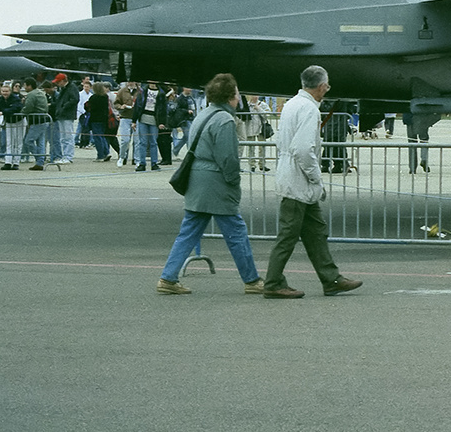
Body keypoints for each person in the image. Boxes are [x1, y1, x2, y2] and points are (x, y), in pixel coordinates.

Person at [155, 74, 264, 295]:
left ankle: (168, 277)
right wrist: (234, 182)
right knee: (236, 233)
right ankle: (251, 279)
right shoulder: (224, 120)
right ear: (231, 96)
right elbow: (228, 159)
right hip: (216, 182)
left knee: (189, 231)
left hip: (197, 179)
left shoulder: (203, 115)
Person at [262, 66, 361, 299]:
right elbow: (304, 150)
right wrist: (317, 178)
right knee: (288, 234)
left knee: (316, 232)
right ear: (321, 86)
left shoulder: (291, 104)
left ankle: (331, 279)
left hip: (292, 176)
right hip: (300, 180)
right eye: (327, 85)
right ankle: (273, 282)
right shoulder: (309, 110)